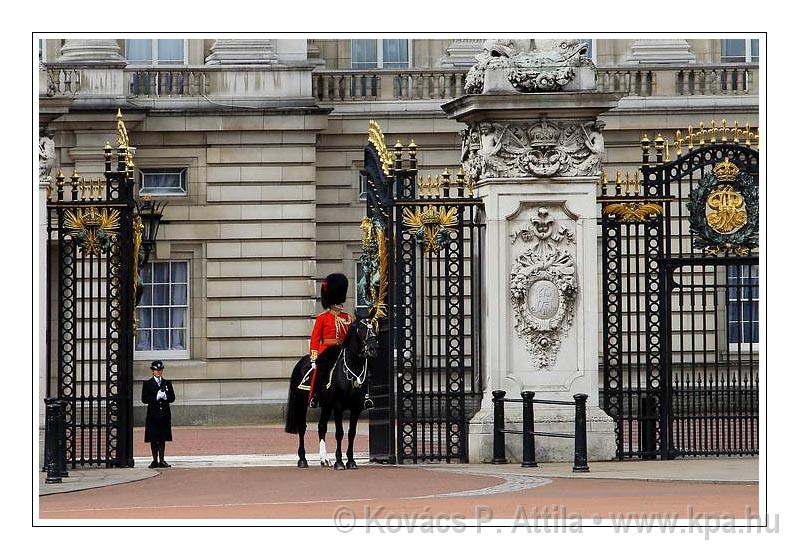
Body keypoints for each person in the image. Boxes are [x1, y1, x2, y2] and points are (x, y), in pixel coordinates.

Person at [304, 273, 373, 410]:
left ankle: (366, 396)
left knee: (364, 367)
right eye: (337, 301)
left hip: (344, 349)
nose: (340, 304)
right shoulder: (322, 318)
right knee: (321, 369)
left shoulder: (348, 317)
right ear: (331, 301)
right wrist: (314, 358)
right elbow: (315, 339)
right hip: (327, 349)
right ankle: (315, 396)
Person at [141, 360, 176, 468]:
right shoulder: (147, 384)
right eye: (156, 370)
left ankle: (162, 459)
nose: (158, 372)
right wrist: (156, 397)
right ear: (153, 371)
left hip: (164, 414)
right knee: (153, 438)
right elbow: (144, 399)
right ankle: (154, 460)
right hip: (153, 415)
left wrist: (166, 397)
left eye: (160, 370)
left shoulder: (167, 383)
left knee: (162, 438)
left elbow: (172, 398)